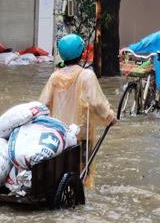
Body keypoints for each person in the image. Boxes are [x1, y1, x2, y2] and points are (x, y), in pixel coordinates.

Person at [39, 34, 116, 188]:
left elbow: (43, 104)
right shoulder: (87, 75)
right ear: (81, 53)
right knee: (83, 169)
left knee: (60, 167)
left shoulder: (55, 76)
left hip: (58, 133)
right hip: (81, 133)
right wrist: (110, 118)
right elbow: (97, 103)